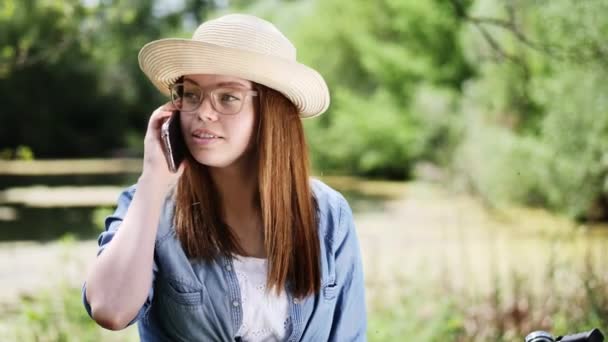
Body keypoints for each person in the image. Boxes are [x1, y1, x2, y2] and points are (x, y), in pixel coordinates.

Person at [82, 13, 366, 342]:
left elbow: (350, 335)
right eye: (191, 94)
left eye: (228, 97)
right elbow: (110, 310)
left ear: (272, 113)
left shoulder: (329, 214)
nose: (203, 111)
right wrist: (152, 180)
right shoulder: (147, 204)